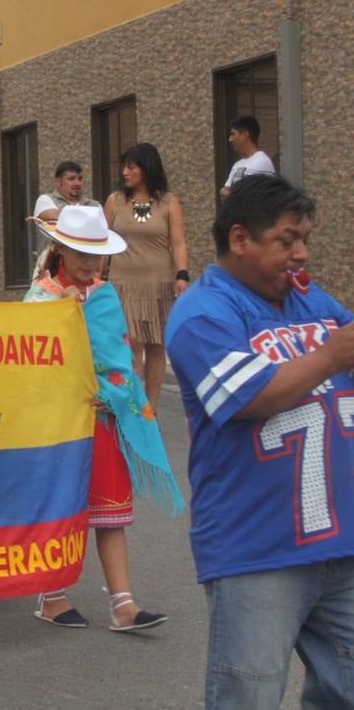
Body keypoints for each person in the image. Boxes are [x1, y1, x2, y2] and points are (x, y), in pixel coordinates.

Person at [165, 175, 354, 709]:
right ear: (241, 239)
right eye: (287, 240)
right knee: (248, 697)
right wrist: (331, 356)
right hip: (257, 551)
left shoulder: (308, 299)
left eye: (305, 239)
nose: (301, 253)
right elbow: (248, 398)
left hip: (340, 543)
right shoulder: (202, 313)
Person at [26, 205, 182, 631]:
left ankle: (123, 603)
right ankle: (51, 594)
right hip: (57, 420)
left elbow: (117, 354)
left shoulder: (106, 295)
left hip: (105, 414)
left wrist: (111, 391)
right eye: (81, 251)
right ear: (60, 248)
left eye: (97, 253)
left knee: (109, 511)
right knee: (62, 508)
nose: (91, 261)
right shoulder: (40, 296)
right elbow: (28, 358)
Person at [104, 143, 187, 414]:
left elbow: (178, 242)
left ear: (147, 168)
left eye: (131, 166)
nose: (125, 172)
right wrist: (96, 278)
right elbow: (105, 242)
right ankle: (132, 403)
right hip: (122, 284)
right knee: (131, 343)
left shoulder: (169, 202)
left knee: (156, 346)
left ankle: (151, 408)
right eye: (124, 166)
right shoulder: (115, 201)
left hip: (159, 283)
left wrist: (182, 274)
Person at [219, 115, 275, 199]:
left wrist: (229, 195)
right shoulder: (237, 164)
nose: (230, 139)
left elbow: (249, 198)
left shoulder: (261, 162)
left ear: (245, 134)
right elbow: (224, 191)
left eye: (233, 134)